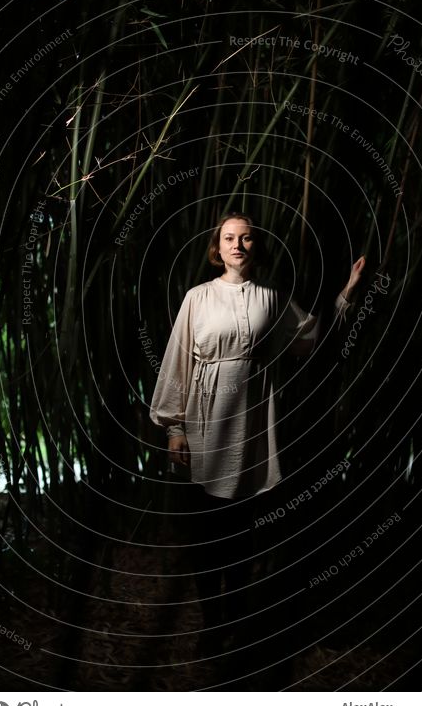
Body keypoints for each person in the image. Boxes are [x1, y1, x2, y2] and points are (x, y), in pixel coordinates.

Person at [149, 213, 365, 651]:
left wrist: (345, 295)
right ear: (217, 247)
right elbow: (177, 362)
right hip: (205, 422)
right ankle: (211, 623)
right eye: (229, 238)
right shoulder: (198, 297)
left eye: (246, 238)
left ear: (255, 246)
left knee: (242, 530)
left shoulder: (271, 298)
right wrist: (175, 429)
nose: (238, 245)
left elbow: (311, 341)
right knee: (207, 530)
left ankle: (235, 613)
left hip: (250, 425)